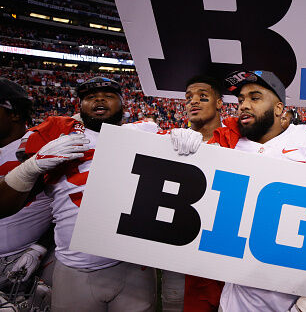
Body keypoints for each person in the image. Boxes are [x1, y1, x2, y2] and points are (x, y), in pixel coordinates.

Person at [0, 77, 202, 312]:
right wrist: (32, 166)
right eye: (89, 96)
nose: (99, 99)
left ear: (123, 104)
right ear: (79, 105)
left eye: (108, 95)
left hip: (131, 262)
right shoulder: (55, 132)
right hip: (74, 265)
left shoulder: (143, 130)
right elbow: (8, 204)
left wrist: (189, 142)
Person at [209, 70, 306, 312]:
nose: (243, 106)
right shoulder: (229, 144)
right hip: (241, 297)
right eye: (240, 100)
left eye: (255, 97)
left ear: (279, 108)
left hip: (297, 292)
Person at [164, 75, 225, 312]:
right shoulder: (169, 140)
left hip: (224, 249)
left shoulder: (239, 138)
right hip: (181, 253)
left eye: (202, 97)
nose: (193, 102)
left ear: (220, 103)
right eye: (188, 98)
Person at [0, 78, 54, 292]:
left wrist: (41, 246)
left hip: (30, 258)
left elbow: (70, 208)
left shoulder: (41, 147)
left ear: (14, 113)